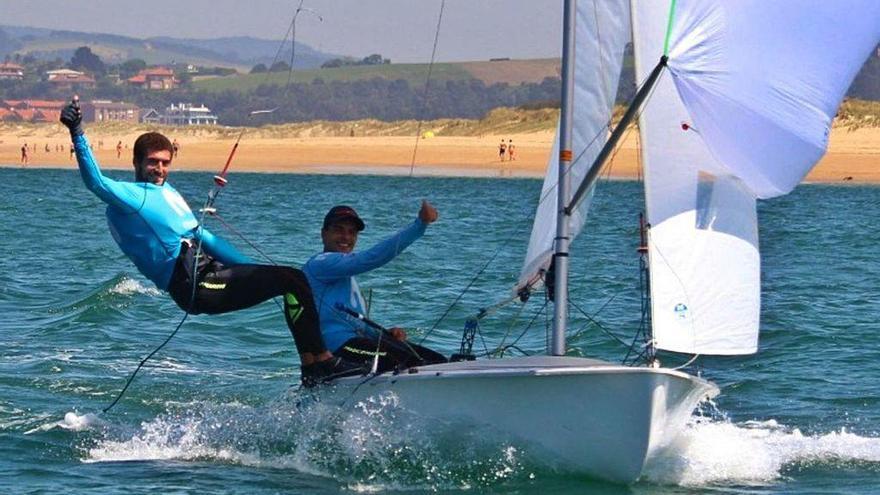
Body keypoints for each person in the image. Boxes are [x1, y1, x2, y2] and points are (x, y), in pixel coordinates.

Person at [60, 98, 358, 386]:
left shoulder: (169, 193)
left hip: (210, 273)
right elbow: (95, 182)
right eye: (152, 162)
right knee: (291, 279)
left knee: (292, 279)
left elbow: (205, 237)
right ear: (136, 161)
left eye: (165, 163)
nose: (159, 169)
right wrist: (77, 132)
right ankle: (321, 362)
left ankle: (313, 367)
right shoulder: (131, 197)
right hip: (195, 286)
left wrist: (257, 271)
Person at [303, 203, 448, 374]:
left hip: (357, 344)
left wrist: (384, 334)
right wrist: (420, 225)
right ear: (323, 234)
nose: (346, 237)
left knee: (438, 361)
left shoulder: (344, 276)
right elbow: (371, 258)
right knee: (413, 363)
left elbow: (355, 324)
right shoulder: (321, 263)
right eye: (339, 230)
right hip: (337, 350)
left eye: (352, 232)